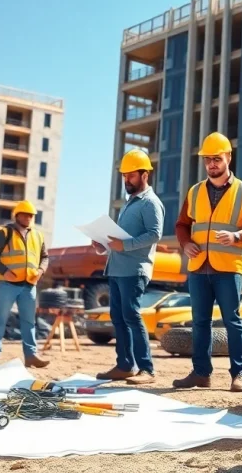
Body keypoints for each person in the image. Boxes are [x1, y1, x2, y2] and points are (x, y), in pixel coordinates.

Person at [174, 132, 242, 392]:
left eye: (216, 158)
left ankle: (240, 373)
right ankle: (201, 373)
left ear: (228, 157)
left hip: (228, 267)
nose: (211, 164)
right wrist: (185, 243)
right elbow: (182, 224)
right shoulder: (194, 192)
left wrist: (237, 235)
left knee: (232, 320)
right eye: (207, 160)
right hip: (198, 267)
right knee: (200, 321)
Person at [93, 149, 164, 385]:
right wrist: (103, 245)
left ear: (144, 175)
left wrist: (124, 245)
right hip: (116, 269)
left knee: (132, 316)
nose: (126, 180)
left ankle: (147, 369)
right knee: (119, 318)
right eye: (124, 176)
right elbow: (118, 241)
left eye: (131, 176)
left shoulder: (151, 203)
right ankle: (125, 365)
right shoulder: (128, 204)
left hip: (134, 271)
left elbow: (154, 234)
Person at [0, 200, 50, 369]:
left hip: (29, 285)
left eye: (31, 215)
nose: (28, 218)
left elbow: (45, 257)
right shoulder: (5, 233)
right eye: (25, 215)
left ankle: (31, 356)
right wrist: (4, 270)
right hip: (8, 284)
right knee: (1, 319)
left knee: (29, 322)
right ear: (17, 215)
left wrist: (41, 271)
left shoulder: (38, 235)